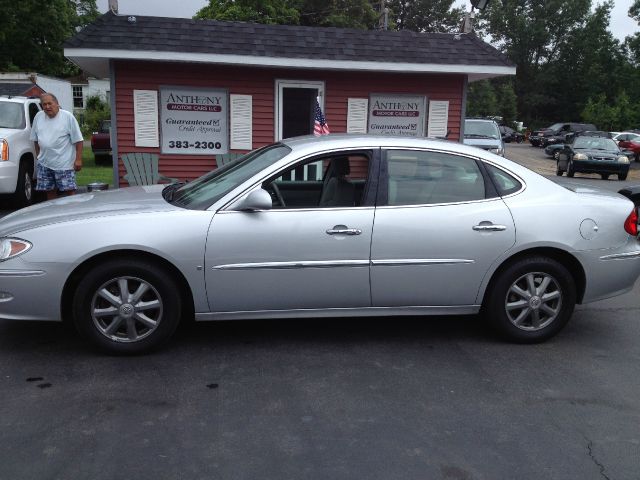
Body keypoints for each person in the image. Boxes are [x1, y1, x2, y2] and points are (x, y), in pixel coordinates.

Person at [30, 93, 83, 200]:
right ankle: (53, 215)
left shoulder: (68, 117)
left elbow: (79, 140)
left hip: (64, 164)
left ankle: (72, 214)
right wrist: (38, 156)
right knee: (49, 192)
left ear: (57, 104)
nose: (47, 107)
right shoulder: (38, 117)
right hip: (45, 164)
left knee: (69, 192)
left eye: (50, 103)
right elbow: (35, 139)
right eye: (44, 104)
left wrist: (78, 160)